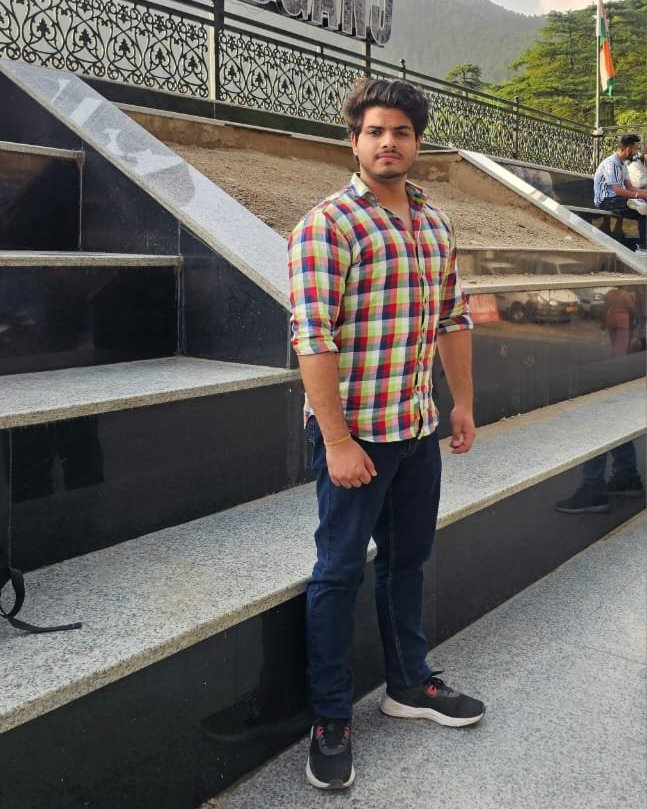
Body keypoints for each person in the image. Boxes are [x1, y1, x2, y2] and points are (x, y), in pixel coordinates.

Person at [288, 77, 485, 791]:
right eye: (374, 131)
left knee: (408, 560)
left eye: (400, 131)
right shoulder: (328, 225)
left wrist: (461, 403)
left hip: (416, 427)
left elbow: (452, 318)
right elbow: (312, 337)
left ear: (417, 142)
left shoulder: (433, 223)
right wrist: (338, 440)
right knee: (338, 570)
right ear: (354, 141)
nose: (387, 143)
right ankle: (331, 717)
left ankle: (407, 683)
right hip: (357, 436)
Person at [593, 134, 647, 248]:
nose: (636, 152)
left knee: (644, 209)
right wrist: (639, 195)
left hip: (617, 199)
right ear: (628, 149)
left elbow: (630, 187)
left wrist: (644, 194)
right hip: (607, 200)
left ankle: (641, 246)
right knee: (644, 209)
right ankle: (643, 247)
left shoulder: (623, 165)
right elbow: (617, 190)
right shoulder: (612, 164)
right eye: (635, 149)